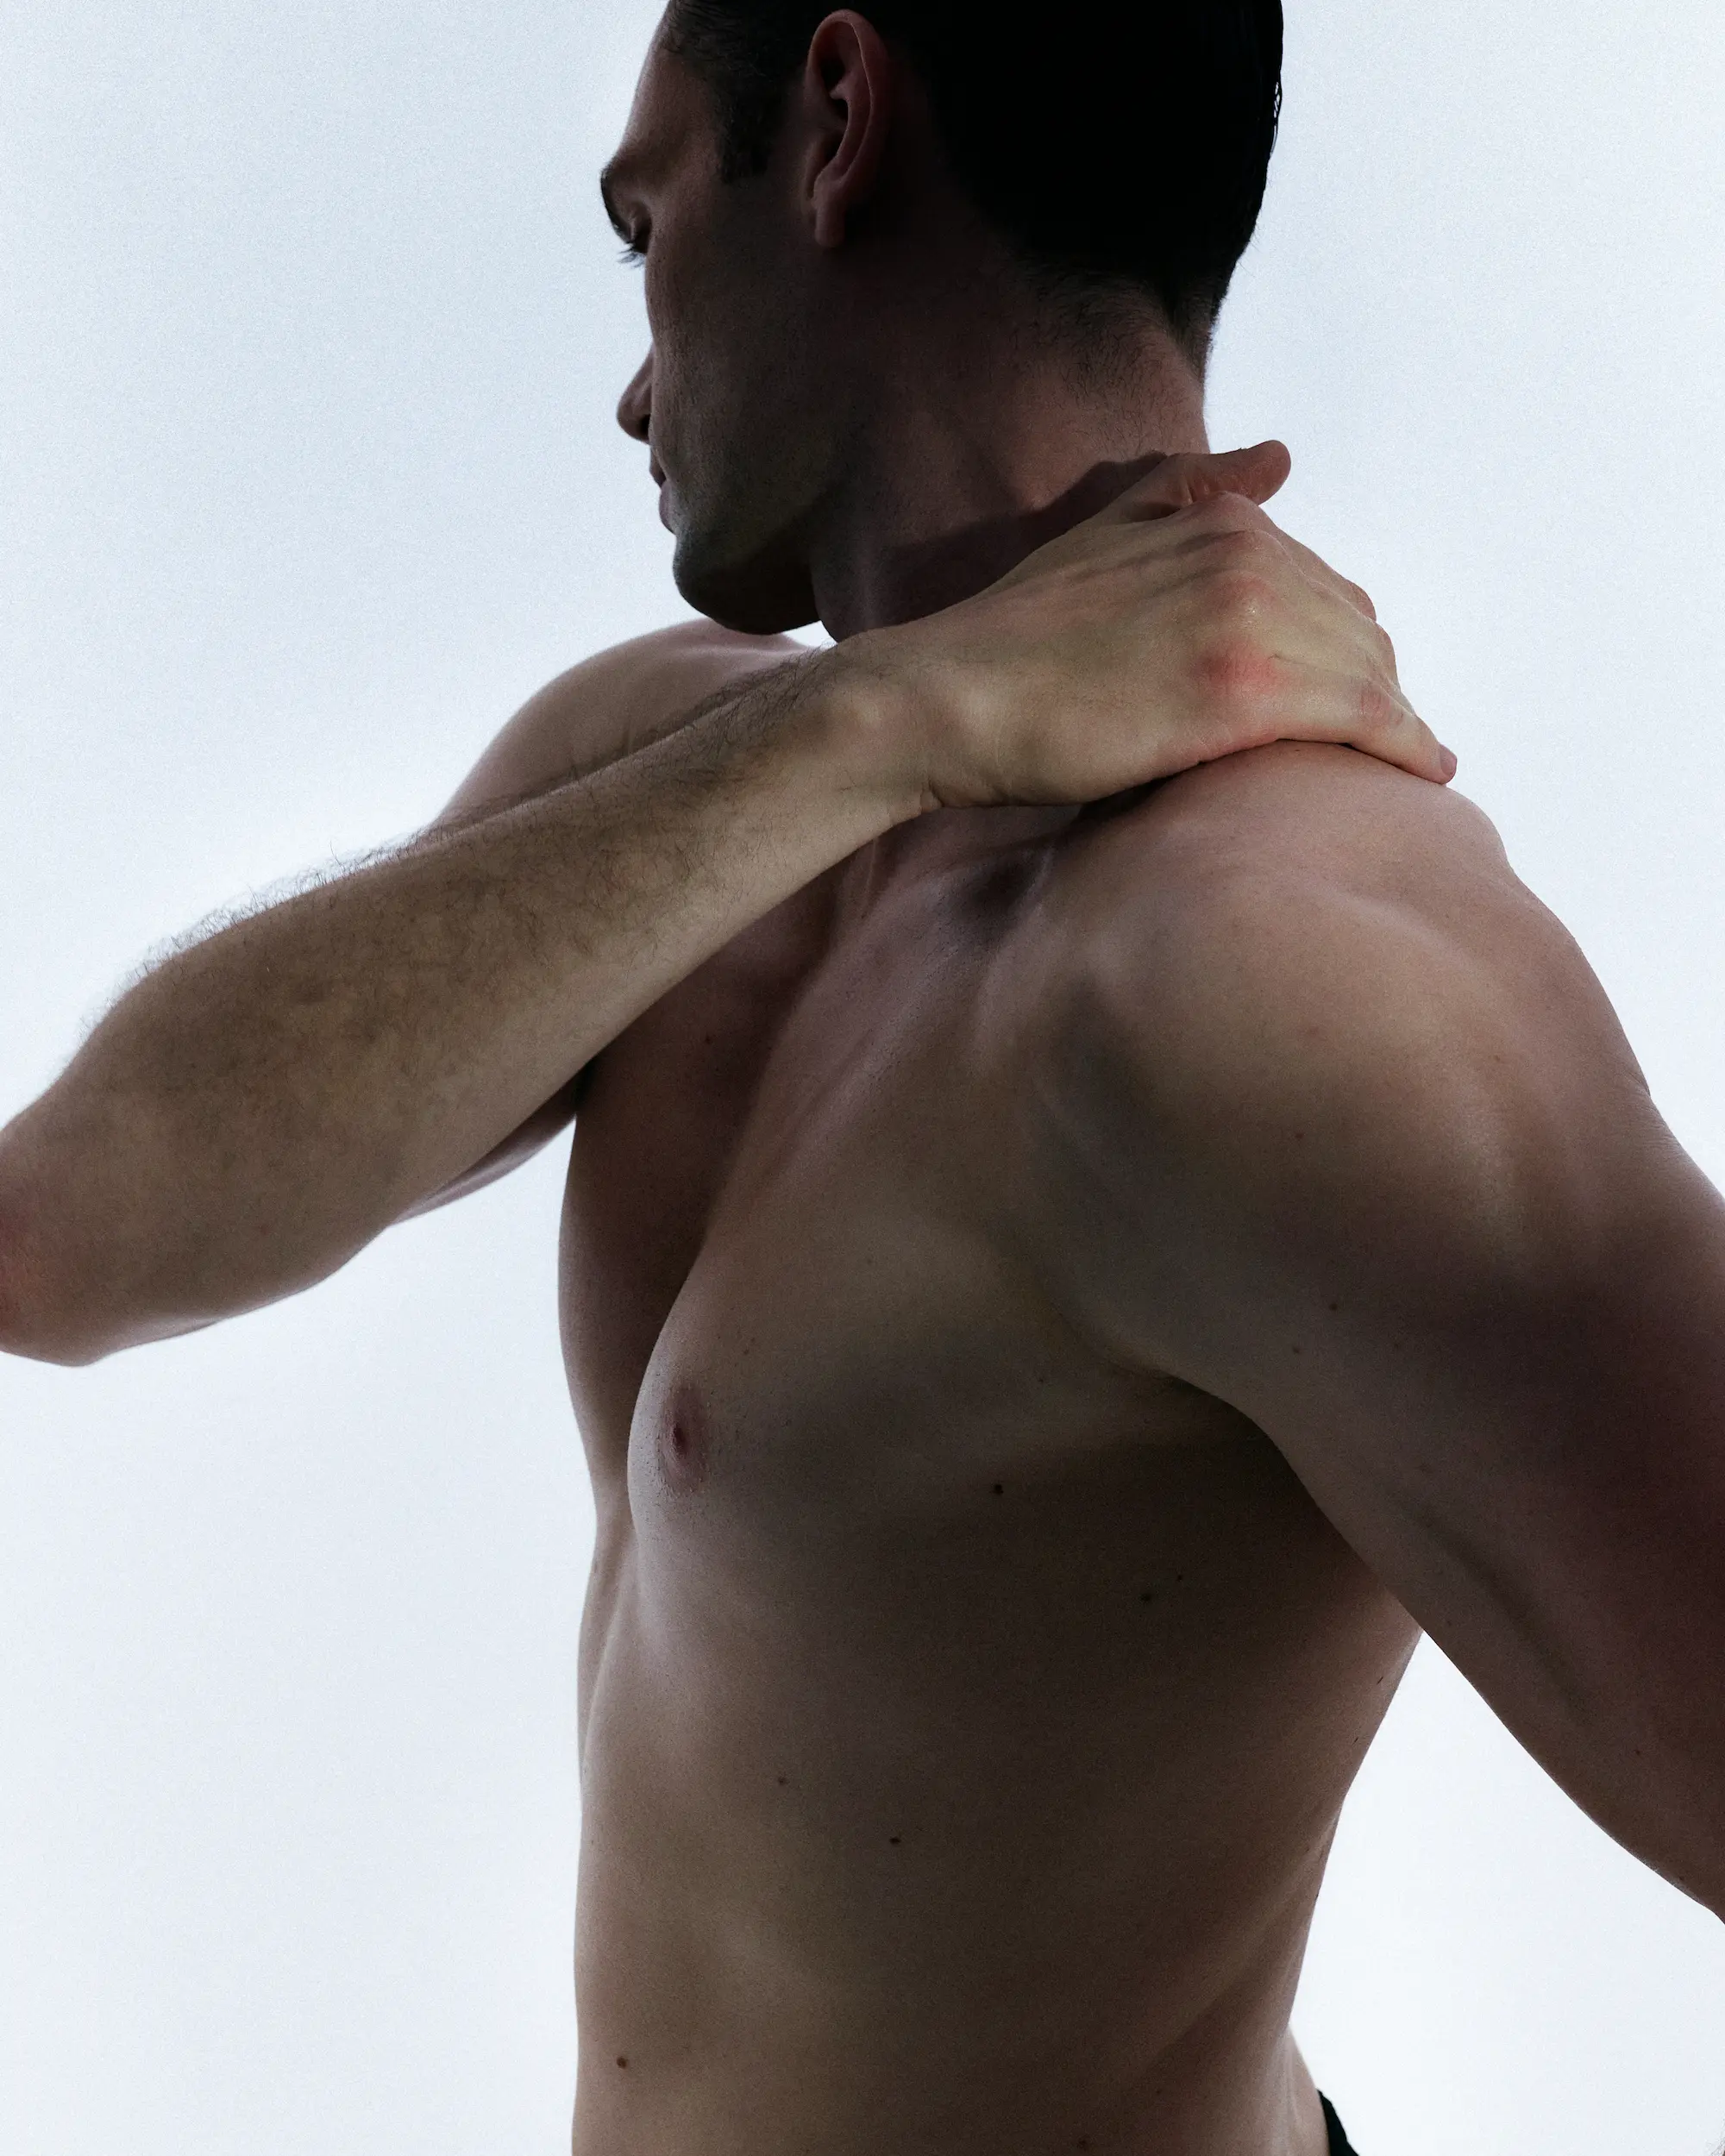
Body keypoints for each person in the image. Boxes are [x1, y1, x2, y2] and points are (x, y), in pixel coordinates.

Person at [3, 3, 1722, 2152]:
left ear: (831, 126)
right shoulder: (694, 772)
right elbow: (62, 1228)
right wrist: (884, 719)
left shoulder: (1259, 958)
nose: (632, 385)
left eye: (644, 227)